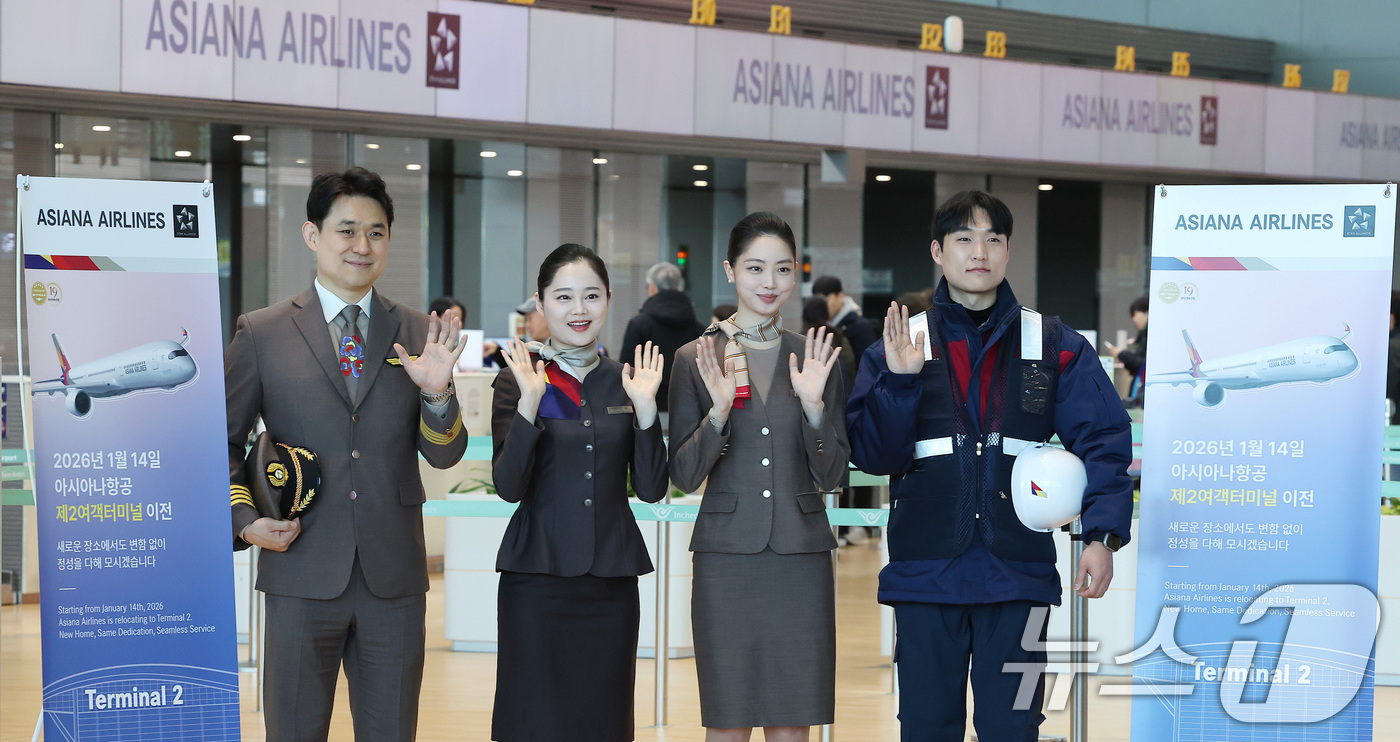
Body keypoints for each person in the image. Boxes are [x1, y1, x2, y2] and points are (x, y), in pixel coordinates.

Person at [845, 191, 1133, 742]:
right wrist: (901, 382)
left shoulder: (1054, 345)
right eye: (963, 239)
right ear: (937, 251)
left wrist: (1101, 535)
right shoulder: (899, 347)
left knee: (1015, 727)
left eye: (993, 239)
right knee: (927, 729)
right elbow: (873, 454)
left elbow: (1103, 437)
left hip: (1017, 575)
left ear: (1007, 251)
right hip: (926, 576)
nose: (979, 251)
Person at [226, 167, 470, 741]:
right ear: (313, 236)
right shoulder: (262, 333)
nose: (362, 247)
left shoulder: (419, 330)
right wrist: (244, 521)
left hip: (394, 578)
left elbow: (444, 454)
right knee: (293, 730)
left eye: (377, 233)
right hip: (300, 568)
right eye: (347, 231)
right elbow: (223, 441)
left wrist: (437, 391)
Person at [669, 212, 851, 742]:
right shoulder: (695, 358)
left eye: (782, 269)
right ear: (729, 271)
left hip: (800, 555)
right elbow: (683, 473)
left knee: (793, 720)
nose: (769, 283)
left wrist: (815, 409)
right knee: (727, 718)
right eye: (755, 268)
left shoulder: (818, 357)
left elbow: (835, 472)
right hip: (726, 556)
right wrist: (718, 415)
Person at [489, 243, 670, 742]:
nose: (579, 309)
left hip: (610, 580)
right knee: (533, 717)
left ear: (608, 299)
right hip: (537, 579)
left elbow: (653, 489)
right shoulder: (518, 381)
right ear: (541, 303)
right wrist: (528, 405)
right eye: (564, 297)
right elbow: (508, 486)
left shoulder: (627, 382)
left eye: (591, 296)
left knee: (604, 718)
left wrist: (648, 412)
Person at [621, 262, 707, 413]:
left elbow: (626, 370)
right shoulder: (698, 328)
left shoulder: (639, 324)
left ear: (652, 288)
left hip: (646, 409)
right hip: (688, 410)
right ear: (679, 287)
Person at [811, 275, 878, 365]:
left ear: (840, 295)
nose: (822, 306)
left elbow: (869, 366)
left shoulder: (861, 327)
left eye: (826, 300)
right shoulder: (820, 326)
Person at [1104, 295, 1149, 407]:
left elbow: (1144, 366)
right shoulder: (1143, 336)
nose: (1133, 320)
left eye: (1135, 314)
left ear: (1147, 312)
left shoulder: (1152, 337)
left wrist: (1121, 354)